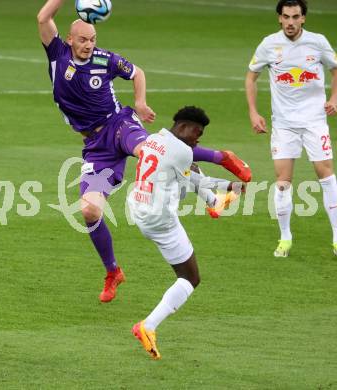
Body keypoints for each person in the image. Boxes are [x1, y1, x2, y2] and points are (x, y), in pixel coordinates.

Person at [37, 0, 251, 303]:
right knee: (89, 210)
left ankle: (219, 167)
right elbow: (44, 16)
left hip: (119, 125)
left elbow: (137, 72)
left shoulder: (106, 59)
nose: (88, 45)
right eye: (82, 40)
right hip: (96, 149)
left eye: (92, 39)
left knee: (156, 152)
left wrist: (139, 102)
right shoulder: (57, 55)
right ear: (69, 39)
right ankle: (113, 272)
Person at [129, 106, 240, 360]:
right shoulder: (181, 150)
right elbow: (200, 170)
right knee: (191, 278)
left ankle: (215, 203)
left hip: (138, 209)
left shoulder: (153, 138)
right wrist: (232, 178)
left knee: (188, 172)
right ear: (182, 127)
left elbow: (191, 168)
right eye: (197, 132)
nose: (197, 139)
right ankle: (148, 326)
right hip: (160, 221)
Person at [245, 0, 337, 257]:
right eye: (286, 17)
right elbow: (251, 76)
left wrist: (333, 98)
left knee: (325, 175)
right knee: (283, 181)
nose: (290, 22)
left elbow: (335, 68)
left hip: (315, 121)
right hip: (284, 124)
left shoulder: (318, 42)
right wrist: (253, 112)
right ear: (279, 18)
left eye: (296, 17)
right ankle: (285, 238)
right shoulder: (269, 44)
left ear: (304, 18)